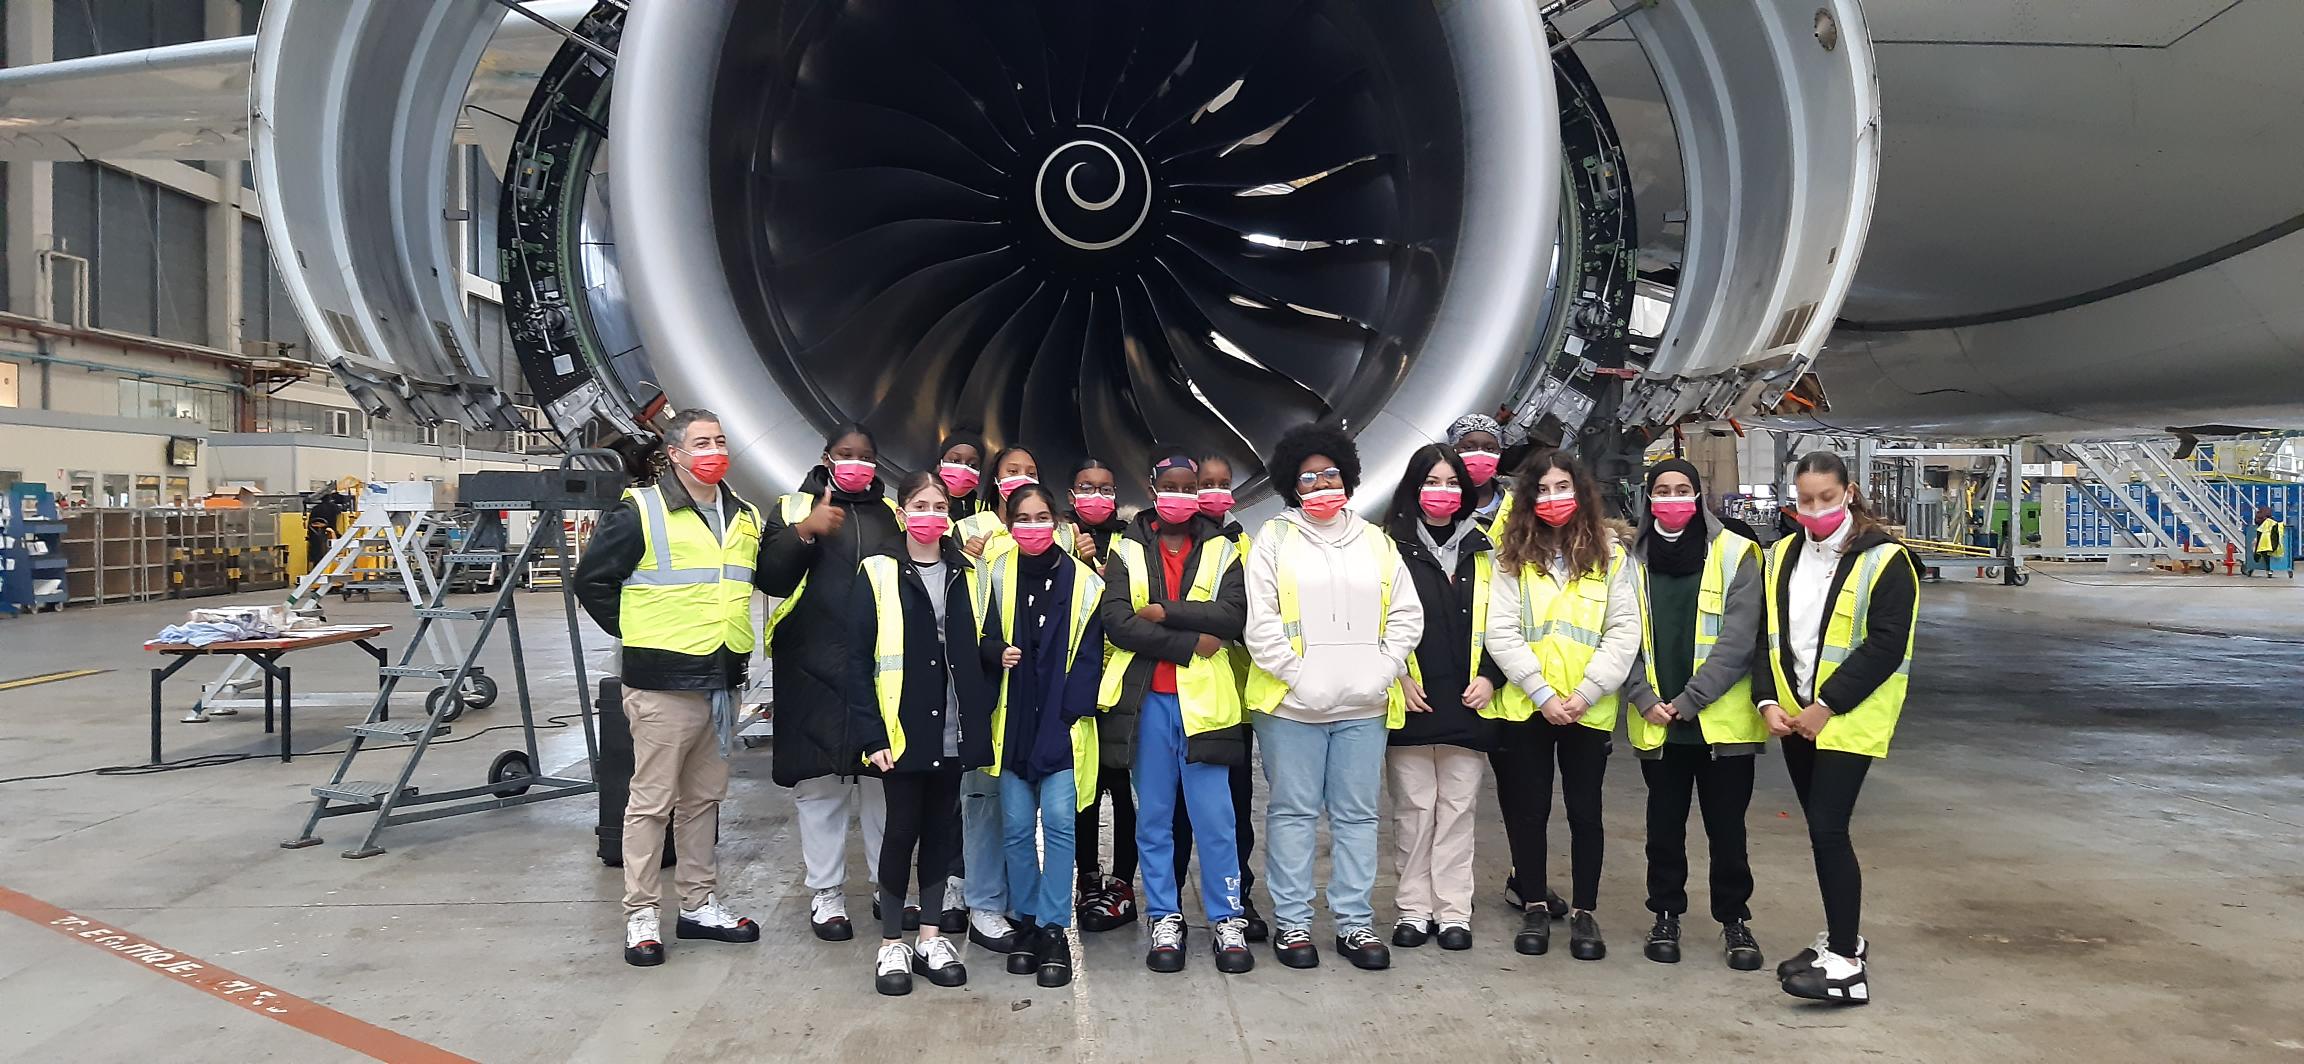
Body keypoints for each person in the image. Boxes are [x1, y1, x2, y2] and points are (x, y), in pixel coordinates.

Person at [572, 408, 765, 967]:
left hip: (721, 681)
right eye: (702, 441)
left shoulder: (743, 514)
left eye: (721, 440)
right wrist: (641, 634)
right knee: (651, 801)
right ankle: (641, 912)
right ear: (675, 452)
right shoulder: (641, 511)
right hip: (663, 683)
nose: (714, 450)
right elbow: (594, 581)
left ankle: (700, 903)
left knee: (703, 800)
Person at [1243, 423, 1424, 972]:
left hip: (1362, 707)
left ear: (1347, 476)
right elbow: (1262, 623)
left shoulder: (1376, 541)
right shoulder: (1273, 539)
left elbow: (1406, 614)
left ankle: (1354, 923)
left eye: (1331, 475)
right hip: (1292, 708)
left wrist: (1383, 671)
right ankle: (1294, 924)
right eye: (1308, 478)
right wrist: (1300, 678)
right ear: (1291, 485)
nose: (1322, 484)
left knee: (1357, 817)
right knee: (1293, 813)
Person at [1755, 450, 1918, 1006]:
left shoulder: (1887, 560)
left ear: (1848, 492)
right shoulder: (1779, 556)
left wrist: (1827, 703)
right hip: (1797, 718)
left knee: (1828, 828)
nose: (1816, 509)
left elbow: (1885, 645)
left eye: (1827, 497)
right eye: (1806, 500)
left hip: (1847, 719)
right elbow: (1766, 636)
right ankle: (1841, 937)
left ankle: (1846, 962)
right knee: (1819, 829)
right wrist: (1765, 703)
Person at [1097, 448, 1257, 975]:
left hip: (1207, 706)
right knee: (1156, 820)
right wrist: (1190, 643)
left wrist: (1165, 613)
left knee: (1217, 819)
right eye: (1173, 485)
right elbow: (1117, 622)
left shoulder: (1225, 548)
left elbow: (1232, 615)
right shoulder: (1123, 548)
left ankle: (1227, 918)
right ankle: (1165, 917)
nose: (1183, 495)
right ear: (1152, 487)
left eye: (1191, 487)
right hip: (1147, 704)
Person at [1485, 449, 1640, 962]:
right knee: (1528, 810)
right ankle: (1532, 901)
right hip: (1529, 706)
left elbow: (1624, 632)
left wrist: (1584, 694)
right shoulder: (1511, 556)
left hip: (1586, 709)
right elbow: (1501, 632)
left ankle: (1585, 912)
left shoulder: (1612, 555)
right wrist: (1543, 693)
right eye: (1543, 490)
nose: (1554, 499)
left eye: (1562, 487)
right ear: (1529, 498)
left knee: (1585, 812)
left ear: (1581, 492)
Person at [1620, 458, 1767, 971]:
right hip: (1657, 723)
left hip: (1719, 726)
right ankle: (1665, 913)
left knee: (1728, 830)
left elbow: (1739, 640)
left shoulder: (1736, 553)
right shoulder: (1631, 559)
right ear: (1648, 498)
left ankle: (1735, 921)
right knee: (1663, 828)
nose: (1673, 497)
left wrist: (1689, 701)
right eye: (1662, 490)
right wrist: (1641, 696)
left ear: (1700, 496)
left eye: (1683, 489)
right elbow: (1620, 637)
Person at [758, 424, 904, 941]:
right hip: (811, 666)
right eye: (846, 454)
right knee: (819, 788)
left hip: (877, 670)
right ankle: (827, 894)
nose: (857, 463)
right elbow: (770, 577)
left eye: (867, 456)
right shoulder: (793, 507)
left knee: (883, 787)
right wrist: (806, 532)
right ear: (826, 457)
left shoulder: (894, 516)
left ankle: (889, 889)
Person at [850, 472, 994, 996]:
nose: (931, 513)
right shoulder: (879, 570)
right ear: (903, 511)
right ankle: (891, 941)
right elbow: (857, 659)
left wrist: (999, 656)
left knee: (940, 832)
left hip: (953, 728)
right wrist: (871, 734)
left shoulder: (966, 572)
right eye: (920, 504)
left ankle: (931, 936)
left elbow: (980, 640)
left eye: (939, 504)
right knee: (900, 831)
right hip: (902, 730)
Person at [1379, 444, 1507, 952]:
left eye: (1453, 482)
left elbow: (1506, 622)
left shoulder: (1485, 550)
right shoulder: (1389, 548)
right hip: (1413, 697)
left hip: (1470, 699)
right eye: (1433, 481)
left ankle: (1454, 911)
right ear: (1413, 487)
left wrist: (1494, 677)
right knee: (1413, 810)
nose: (1444, 492)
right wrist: (1396, 680)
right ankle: (1412, 910)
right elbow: (1376, 621)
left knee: (1457, 810)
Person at [978, 484, 1105, 987]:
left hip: (1060, 724)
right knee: (1013, 828)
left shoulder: (1086, 583)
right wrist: (994, 652)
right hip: (1013, 725)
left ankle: (1054, 928)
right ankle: (1027, 919)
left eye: (1041, 516)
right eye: (1022, 517)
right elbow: (980, 635)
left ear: (1057, 521)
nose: (1032, 525)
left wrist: (1069, 715)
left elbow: (1094, 656)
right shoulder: (996, 573)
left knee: (1058, 826)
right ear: (1009, 523)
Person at [1171, 450, 1267, 942]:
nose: (1213, 490)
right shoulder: (1168, 543)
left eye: (1221, 481)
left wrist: (1182, 615)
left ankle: (1237, 895)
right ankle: (1170, 909)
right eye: (1203, 482)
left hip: (1230, 698)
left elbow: (1241, 618)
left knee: (1231, 809)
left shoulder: (1244, 545)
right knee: (1176, 814)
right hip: (1177, 695)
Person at [958, 444, 1045, 557]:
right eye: (1013, 471)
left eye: (1031, 474)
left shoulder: (1056, 531)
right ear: (996, 478)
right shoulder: (968, 528)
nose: (1023, 478)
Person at [1449, 414, 1512, 529]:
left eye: (1489, 449)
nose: (1479, 454)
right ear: (1454, 450)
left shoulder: (1518, 501)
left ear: (1499, 453)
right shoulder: (1442, 504)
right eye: (1469, 447)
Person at [1069, 459, 1127, 570]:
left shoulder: (1130, 535)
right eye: (1086, 488)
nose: (1097, 495)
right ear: (1071, 497)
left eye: (1106, 489)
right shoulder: (1061, 536)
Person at [936, 432, 987, 526]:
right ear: (940, 464)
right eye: (955, 461)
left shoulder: (985, 510)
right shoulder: (919, 503)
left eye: (972, 465)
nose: (963, 468)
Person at [2253, 507, 2286, 576]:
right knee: (2269, 554)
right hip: (2275, 545)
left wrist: (2256, 552)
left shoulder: (2262, 526)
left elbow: (2259, 540)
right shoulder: (2274, 523)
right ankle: (2270, 569)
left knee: (2263, 552)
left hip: (2265, 546)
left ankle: (2268, 569)